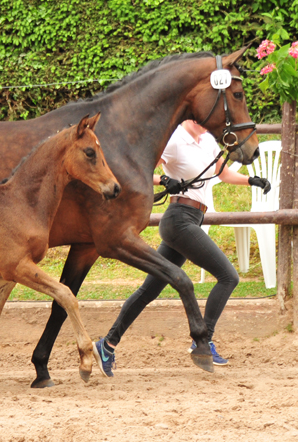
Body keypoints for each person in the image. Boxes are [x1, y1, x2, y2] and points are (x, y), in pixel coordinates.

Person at [93, 120, 271, 375]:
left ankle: (106, 345)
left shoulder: (208, 140)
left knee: (148, 290)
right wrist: (164, 180)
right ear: (187, 116)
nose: (200, 121)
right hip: (179, 219)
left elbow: (222, 173)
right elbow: (137, 170)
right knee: (228, 276)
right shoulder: (173, 139)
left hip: (191, 219)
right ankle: (203, 340)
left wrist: (252, 180)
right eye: (195, 116)